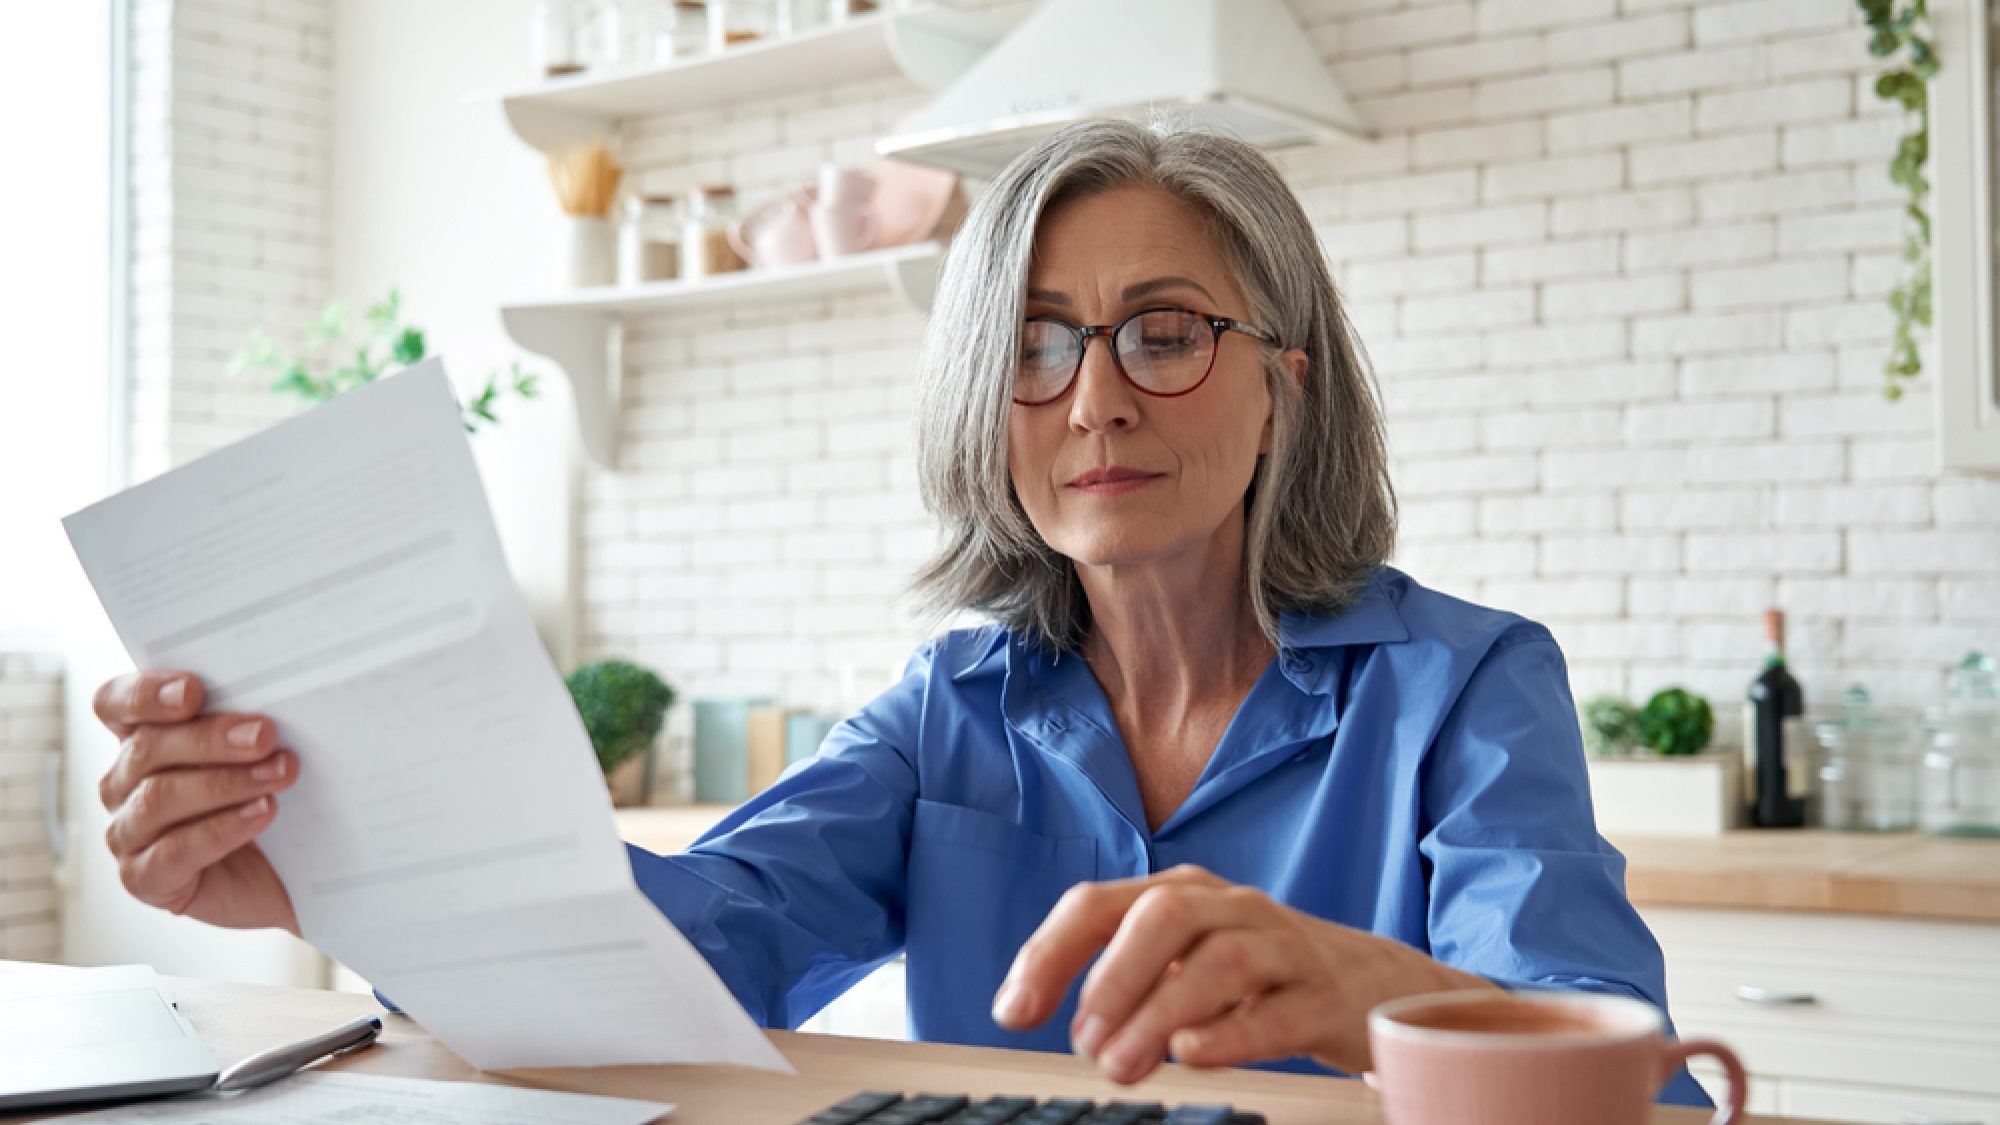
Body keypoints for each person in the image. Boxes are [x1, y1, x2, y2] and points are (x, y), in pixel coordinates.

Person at [90, 120, 1709, 1106]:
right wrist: (343, 865)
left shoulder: (1465, 687)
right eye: (1034, 343)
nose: (1092, 401)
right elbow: (690, 953)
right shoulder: (952, 708)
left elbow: (1639, 1084)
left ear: (1282, 387)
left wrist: (1364, 991)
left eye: (1161, 332)